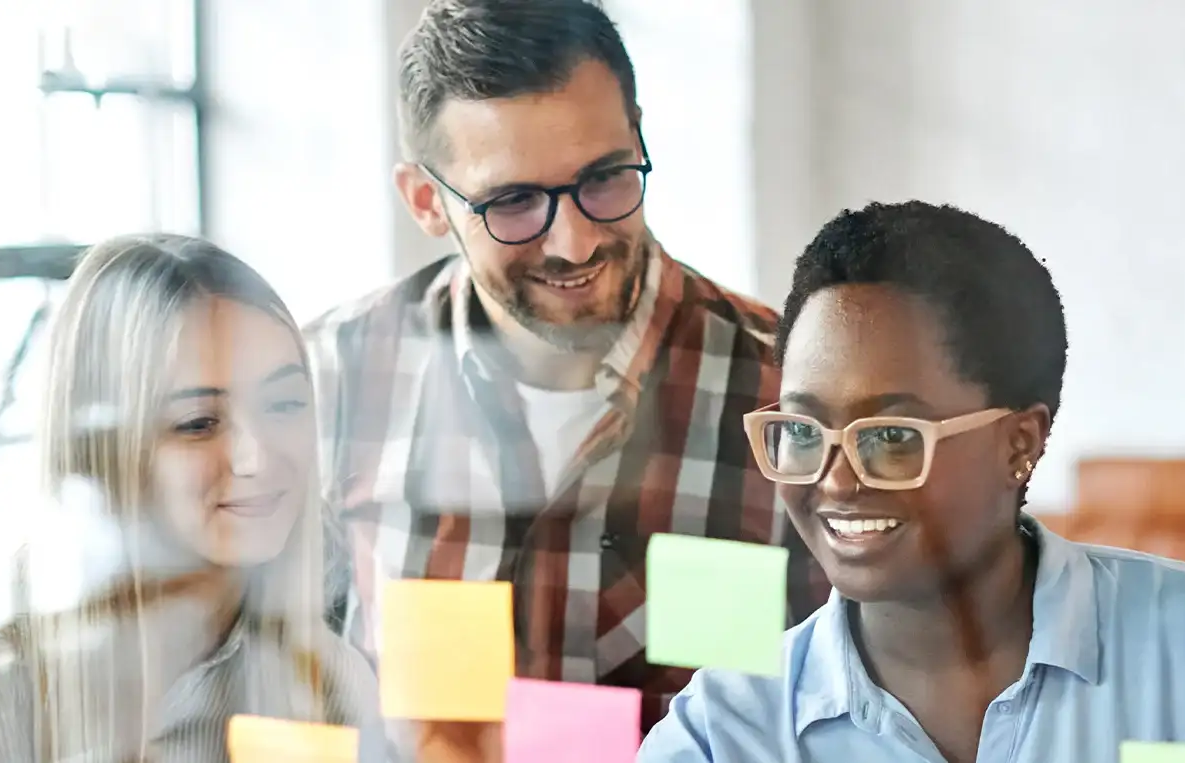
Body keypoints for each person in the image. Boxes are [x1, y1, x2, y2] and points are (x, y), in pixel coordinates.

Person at [638, 201, 1185, 763]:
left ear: (1020, 441)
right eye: (801, 432)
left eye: (891, 437)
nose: (835, 480)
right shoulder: (730, 732)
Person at [306, 0, 826, 736]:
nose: (575, 242)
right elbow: (292, 688)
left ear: (639, 135)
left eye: (607, 178)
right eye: (513, 202)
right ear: (426, 201)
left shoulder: (791, 389)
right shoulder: (330, 380)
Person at [0, 235, 381, 762]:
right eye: (198, 423)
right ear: (100, 447)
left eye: (285, 404)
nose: (257, 458)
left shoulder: (329, 683)